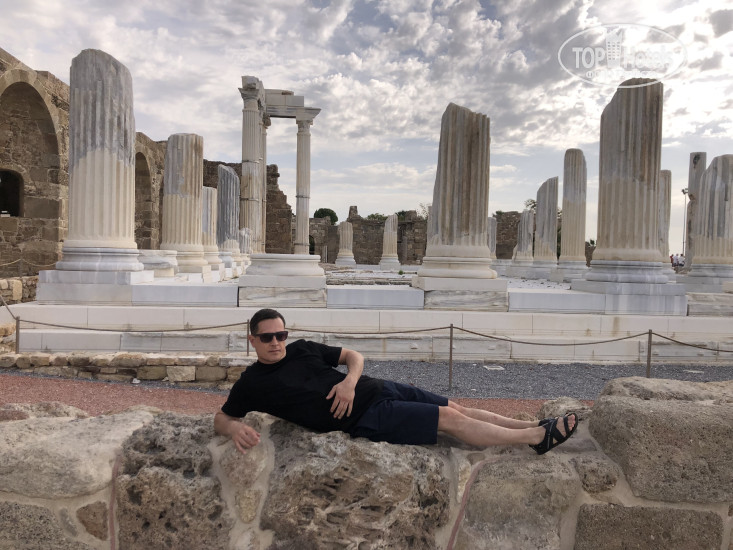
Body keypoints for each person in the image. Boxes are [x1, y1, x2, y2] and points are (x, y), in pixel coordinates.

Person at [214, 308, 577, 455]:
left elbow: (353, 356)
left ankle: (531, 425)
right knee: (449, 420)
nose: (276, 342)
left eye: (281, 334)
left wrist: (349, 382)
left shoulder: (303, 348)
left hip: (377, 388)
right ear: (253, 340)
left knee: (457, 407)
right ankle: (535, 438)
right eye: (267, 337)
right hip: (365, 418)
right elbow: (222, 417)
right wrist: (233, 430)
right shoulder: (252, 383)